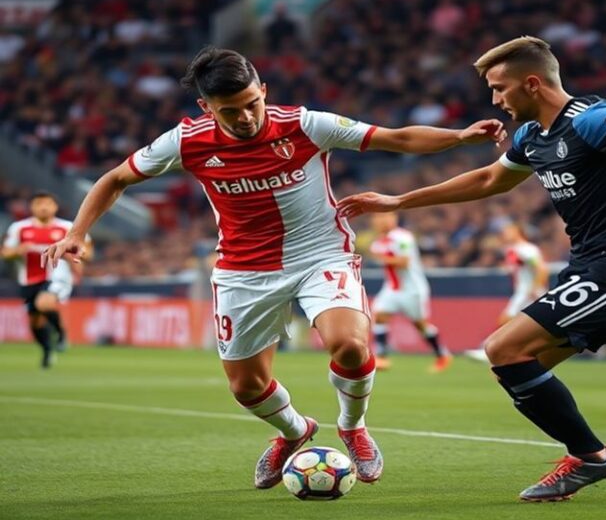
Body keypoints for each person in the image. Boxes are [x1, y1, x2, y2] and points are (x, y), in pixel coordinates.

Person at [43, 47, 506, 489]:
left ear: (263, 89)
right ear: (207, 107)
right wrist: (77, 232)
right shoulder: (185, 142)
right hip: (243, 270)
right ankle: (293, 431)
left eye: (250, 104)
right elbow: (115, 178)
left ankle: (353, 428)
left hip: (321, 254)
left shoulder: (306, 125)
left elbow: (395, 138)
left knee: (348, 343)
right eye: (230, 111)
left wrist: (460, 137)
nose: (244, 117)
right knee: (247, 386)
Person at [337, 36, 606, 502]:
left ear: (532, 83)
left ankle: (592, 457)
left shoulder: (593, 120)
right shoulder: (532, 137)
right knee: (519, 367)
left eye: (501, 90)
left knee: (503, 348)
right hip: (590, 263)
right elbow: (488, 179)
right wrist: (400, 200)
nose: (496, 101)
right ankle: (587, 455)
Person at [1, 192, 91, 368]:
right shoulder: (19, 228)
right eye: (39, 204)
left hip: (58, 276)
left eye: (48, 203)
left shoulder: (68, 228)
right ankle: (47, 349)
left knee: (45, 304)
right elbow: (5, 252)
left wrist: (72, 258)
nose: (43, 207)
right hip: (28, 280)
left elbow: (87, 251)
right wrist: (19, 250)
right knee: (35, 322)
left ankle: (61, 333)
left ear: (55, 207)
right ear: (32, 207)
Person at [367, 211, 452, 373]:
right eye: (377, 217)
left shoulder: (402, 238)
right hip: (392, 288)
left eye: (385, 216)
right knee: (379, 315)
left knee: (420, 325)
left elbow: (404, 262)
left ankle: (442, 354)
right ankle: (382, 357)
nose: (381, 221)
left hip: (412, 289)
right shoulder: (378, 242)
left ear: (394, 218)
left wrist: (379, 257)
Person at [465, 222, 548, 363]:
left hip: (528, 292)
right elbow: (519, 266)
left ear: (518, 231)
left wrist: (534, 288)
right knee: (519, 322)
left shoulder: (527, 249)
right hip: (524, 290)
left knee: (506, 320)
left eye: (509, 230)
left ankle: (488, 349)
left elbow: (541, 269)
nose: (505, 233)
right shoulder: (513, 249)